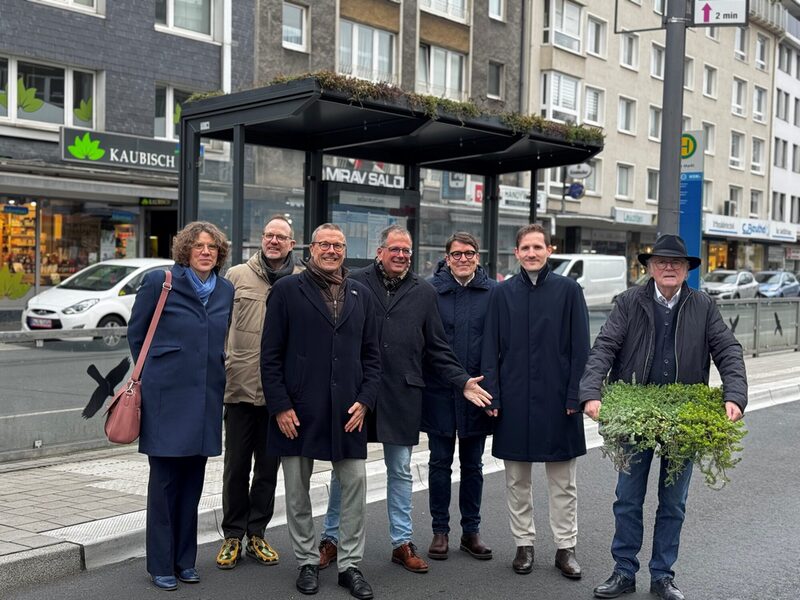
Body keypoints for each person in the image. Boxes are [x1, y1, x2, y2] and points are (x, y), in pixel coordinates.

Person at [580, 234, 747, 600]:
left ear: (686, 269)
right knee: (627, 498)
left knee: (673, 502)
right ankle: (624, 571)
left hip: (683, 415)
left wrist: (734, 395)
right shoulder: (629, 302)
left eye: (676, 262)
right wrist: (591, 392)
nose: (668, 267)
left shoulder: (702, 305)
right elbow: (605, 346)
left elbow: (728, 350)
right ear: (650, 267)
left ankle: (662, 576)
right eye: (661, 262)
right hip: (635, 411)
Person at [319, 225, 492, 575]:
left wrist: (462, 382)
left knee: (399, 471)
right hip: (357, 394)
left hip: (403, 393)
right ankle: (331, 540)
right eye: (395, 249)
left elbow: (438, 348)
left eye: (407, 251)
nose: (401, 256)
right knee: (345, 471)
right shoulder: (354, 283)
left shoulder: (424, 291)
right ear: (380, 251)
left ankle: (402, 543)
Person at [261, 223, 382, 599]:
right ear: (311, 248)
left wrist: (365, 400)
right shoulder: (286, 290)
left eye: (339, 245)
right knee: (297, 491)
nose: (332, 250)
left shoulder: (361, 294)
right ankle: (306, 561)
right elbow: (270, 356)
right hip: (297, 410)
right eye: (325, 244)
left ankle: (349, 565)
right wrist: (280, 405)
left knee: (355, 485)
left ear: (345, 250)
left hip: (349, 409)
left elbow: (373, 356)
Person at [127, 221, 234, 591]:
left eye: (213, 247)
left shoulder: (225, 290)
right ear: (185, 250)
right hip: (166, 400)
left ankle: (184, 560)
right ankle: (160, 564)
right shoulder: (162, 281)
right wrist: (159, 370)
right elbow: (137, 334)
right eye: (199, 246)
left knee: (193, 484)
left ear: (220, 254)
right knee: (165, 484)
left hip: (206, 399)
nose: (206, 252)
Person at [481, 223, 590, 579]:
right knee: (516, 481)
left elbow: (580, 349)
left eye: (537, 247)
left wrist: (577, 394)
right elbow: (490, 349)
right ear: (516, 253)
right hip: (512, 400)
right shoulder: (501, 293)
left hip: (560, 401)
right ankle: (524, 545)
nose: (531, 253)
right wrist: (492, 395)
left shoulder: (569, 290)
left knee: (563, 482)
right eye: (525, 248)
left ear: (549, 250)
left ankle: (565, 548)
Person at [215, 215, 301, 570]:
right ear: (260, 239)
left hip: (278, 397)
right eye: (269, 235)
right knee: (235, 466)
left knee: (268, 469)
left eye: (281, 237)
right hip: (238, 388)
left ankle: (257, 534)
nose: (274, 241)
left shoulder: (301, 281)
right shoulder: (236, 276)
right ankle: (233, 535)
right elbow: (219, 328)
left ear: (292, 244)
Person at [421, 232, 496, 561]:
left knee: (473, 465)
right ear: (446, 257)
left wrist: (493, 392)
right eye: (456, 254)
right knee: (438, 463)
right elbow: (425, 343)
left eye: (469, 253)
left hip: (477, 393)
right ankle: (440, 531)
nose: (463, 259)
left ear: (478, 256)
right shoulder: (429, 291)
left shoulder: (493, 292)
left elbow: (498, 346)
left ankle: (471, 531)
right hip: (439, 390)